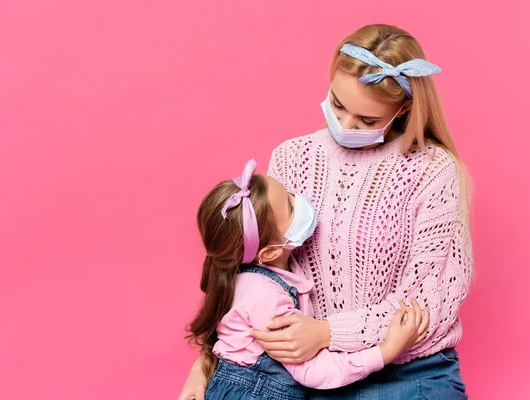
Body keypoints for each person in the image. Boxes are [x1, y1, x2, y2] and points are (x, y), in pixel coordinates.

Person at [178, 23, 473, 400]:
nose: (345, 126)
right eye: (337, 105)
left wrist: (328, 332)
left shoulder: (434, 172)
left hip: (409, 370)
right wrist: (207, 363)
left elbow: (430, 304)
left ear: (404, 108)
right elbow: (253, 273)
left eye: (366, 121)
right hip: (306, 369)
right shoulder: (292, 158)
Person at [186, 159, 428, 399]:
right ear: (269, 252)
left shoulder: (266, 275)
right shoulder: (265, 297)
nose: (300, 200)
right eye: (291, 207)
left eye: (290, 194)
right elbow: (312, 370)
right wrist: (386, 351)